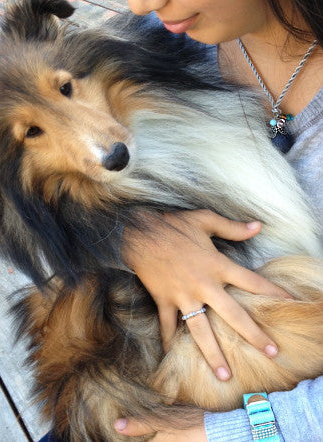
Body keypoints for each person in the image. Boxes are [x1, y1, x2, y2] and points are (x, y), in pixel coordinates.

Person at [112, 0, 323, 440]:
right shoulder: (142, 44)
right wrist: (134, 233)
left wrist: (242, 430)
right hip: (141, 387)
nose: (142, 4)